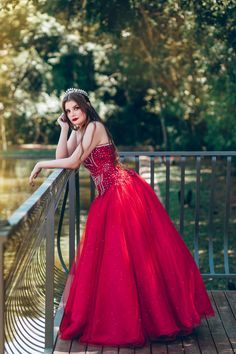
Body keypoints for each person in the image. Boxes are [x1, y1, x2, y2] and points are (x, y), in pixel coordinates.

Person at [29, 88, 215, 347]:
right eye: (68, 111)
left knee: (131, 258)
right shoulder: (80, 129)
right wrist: (63, 129)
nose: (72, 114)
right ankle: (129, 316)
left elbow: (71, 163)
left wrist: (40, 164)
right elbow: (63, 156)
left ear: (86, 107)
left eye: (76, 109)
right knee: (119, 261)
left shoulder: (94, 127)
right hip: (107, 195)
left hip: (121, 193)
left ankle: (153, 319)